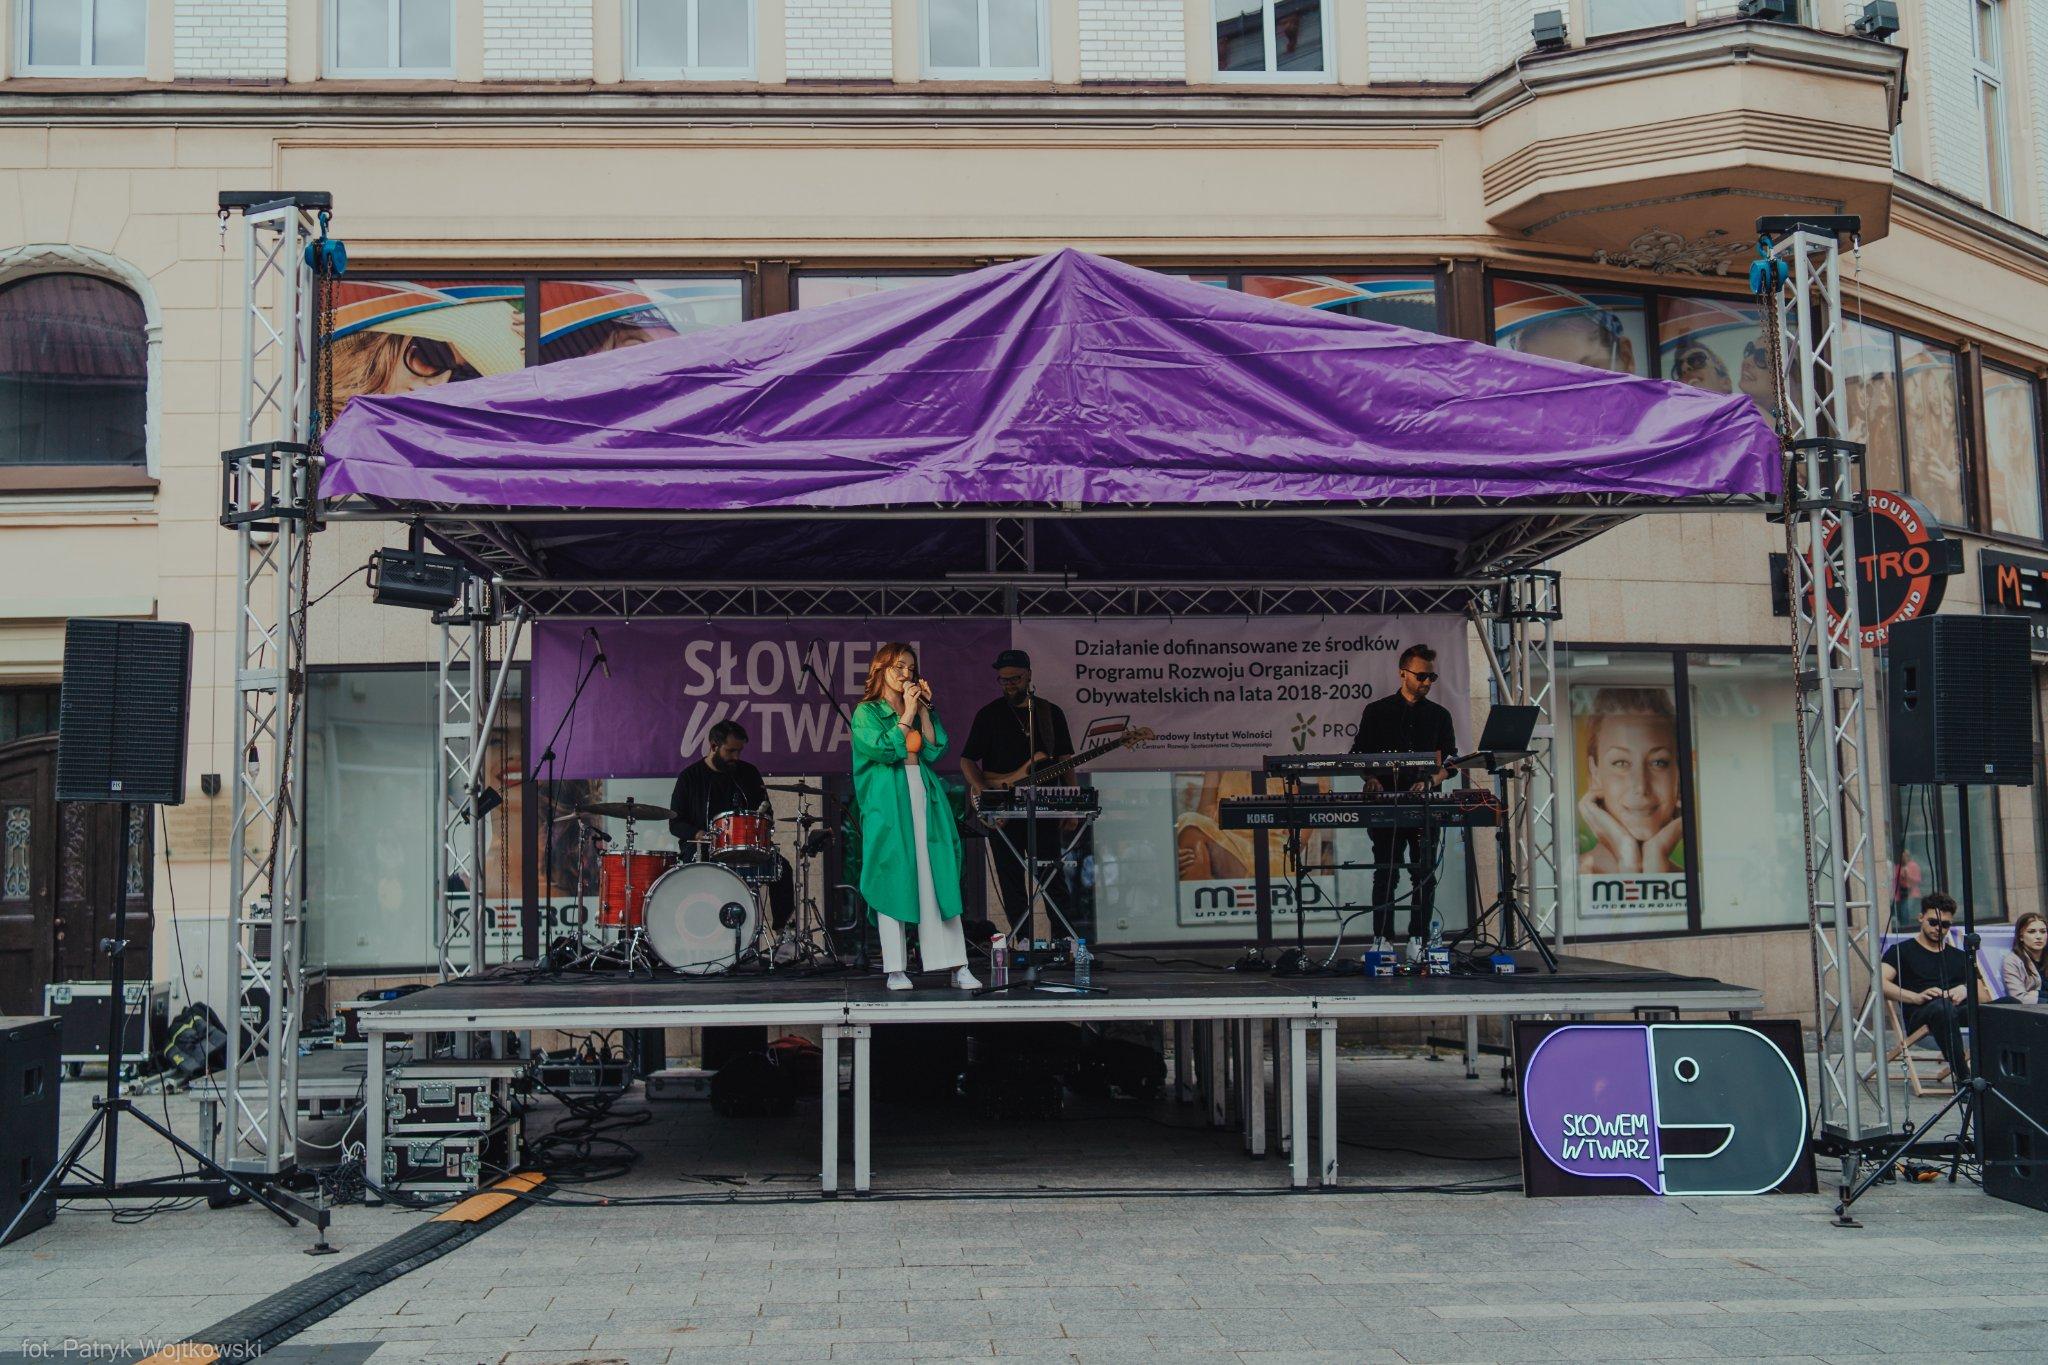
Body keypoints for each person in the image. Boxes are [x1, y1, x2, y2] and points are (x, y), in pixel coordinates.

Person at [851, 643, 979, 991]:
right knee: (892, 876)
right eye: (898, 667)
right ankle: (895, 968)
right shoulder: (866, 712)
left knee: (936, 874)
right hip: (888, 802)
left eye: (910, 667)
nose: (906, 673)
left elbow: (935, 750)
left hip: (922, 792)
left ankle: (956, 964)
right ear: (881, 670)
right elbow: (882, 749)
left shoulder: (916, 705)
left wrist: (922, 710)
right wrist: (907, 711)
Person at [960, 649, 1076, 942]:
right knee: (1010, 877)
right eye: (1003, 680)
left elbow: (1065, 760)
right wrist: (984, 791)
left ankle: (1064, 940)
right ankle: (1022, 941)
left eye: (1015, 679)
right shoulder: (988, 715)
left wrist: (1072, 804)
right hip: (1003, 808)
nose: (1009, 685)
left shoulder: (1049, 714)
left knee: (1050, 874)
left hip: (1044, 806)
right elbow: (967, 760)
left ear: (1029, 676)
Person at [1349, 644, 1456, 949]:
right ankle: (1382, 940)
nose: (1427, 682)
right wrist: (1371, 778)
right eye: (1421, 676)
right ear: (1403, 674)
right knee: (1386, 872)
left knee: (1424, 875)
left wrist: (1431, 781)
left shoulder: (1439, 715)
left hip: (1424, 807)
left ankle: (1418, 939)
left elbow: (1451, 763)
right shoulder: (1377, 712)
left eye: (1431, 677)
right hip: (1386, 805)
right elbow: (1359, 756)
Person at [667, 720, 795, 938]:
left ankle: (783, 934)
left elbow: (766, 812)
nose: (736, 756)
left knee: (782, 869)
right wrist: (699, 834)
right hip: (703, 850)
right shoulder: (689, 777)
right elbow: (675, 823)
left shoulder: (748, 773)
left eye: (739, 751)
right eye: (731, 751)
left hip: (744, 848)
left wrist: (760, 825)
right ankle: (698, 934)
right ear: (713, 746)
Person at [1881, 892, 1991, 1081]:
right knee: (1942, 1007)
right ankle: (1964, 1079)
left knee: (2010, 1004)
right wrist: (1916, 997)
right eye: (1933, 922)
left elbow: (1985, 999)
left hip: (1958, 1013)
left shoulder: (1959, 956)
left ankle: (2003, 1077)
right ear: (1921, 918)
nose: (1938, 928)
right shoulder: (1901, 951)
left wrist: (1965, 989)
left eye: (1945, 925)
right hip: (1922, 1016)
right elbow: (1878, 984)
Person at [1576, 689, 1684, 876]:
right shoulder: (1570, 878)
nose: (1641, 786)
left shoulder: (1693, 880)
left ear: (1678, 773)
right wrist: (1627, 856)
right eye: (1621, 763)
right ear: (1595, 773)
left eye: (1658, 762)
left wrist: (1654, 859)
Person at [2003, 911, 2046, 1005]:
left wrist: (2038, 994)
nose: (2039, 936)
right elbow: (2019, 998)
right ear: (2021, 937)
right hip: (2035, 1011)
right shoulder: (2013, 961)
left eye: (2043, 931)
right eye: (2032, 932)